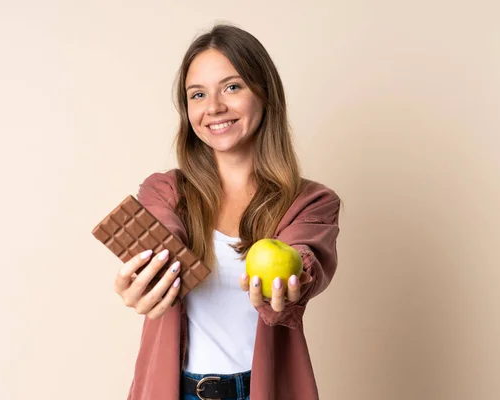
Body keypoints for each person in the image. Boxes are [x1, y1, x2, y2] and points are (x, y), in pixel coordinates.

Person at [113, 24, 341, 400]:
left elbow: (305, 260)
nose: (214, 107)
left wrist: (290, 284)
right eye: (198, 94)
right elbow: (162, 237)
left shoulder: (310, 203)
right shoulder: (165, 191)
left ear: (264, 94)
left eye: (232, 87)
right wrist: (143, 277)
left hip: (263, 391)